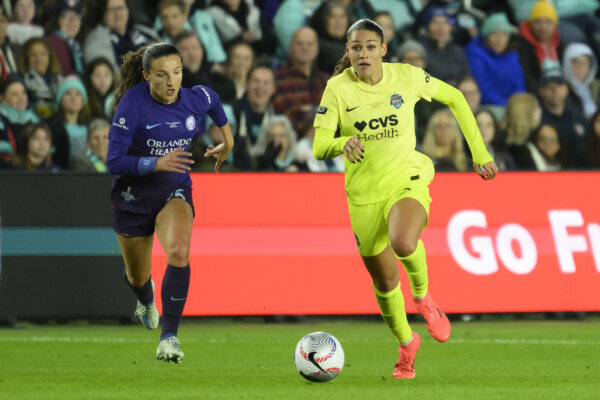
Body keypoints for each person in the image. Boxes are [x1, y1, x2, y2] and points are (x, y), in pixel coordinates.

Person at [312, 19, 497, 379]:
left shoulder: (407, 76)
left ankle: (425, 298)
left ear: (383, 49)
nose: (362, 53)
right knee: (383, 283)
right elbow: (320, 145)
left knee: (403, 239)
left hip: (406, 178)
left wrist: (479, 152)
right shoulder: (337, 89)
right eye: (355, 48)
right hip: (364, 195)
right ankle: (407, 344)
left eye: (369, 46)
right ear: (347, 52)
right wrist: (341, 143)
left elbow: (455, 98)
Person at [106, 42, 233, 363]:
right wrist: (154, 163)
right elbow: (113, 161)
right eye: (162, 75)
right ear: (147, 76)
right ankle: (146, 300)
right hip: (132, 196)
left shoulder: (193, 98)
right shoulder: (132, 105)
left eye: (176, 73)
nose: (171, 81)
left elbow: (214, 100)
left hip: (173, 189)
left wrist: (228, 142)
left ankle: (169, 338)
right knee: (138, 276)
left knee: (178, 250)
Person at [272, 27, 329, 140]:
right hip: (292, 144)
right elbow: (282, 117)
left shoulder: (327, 81)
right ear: (290, 47)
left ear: (317, 49)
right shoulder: (277, 79)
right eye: (300, 43)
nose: (305, 48)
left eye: (310, 44)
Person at [465, 13, 526, 107]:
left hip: (512, 107)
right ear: (486, 36)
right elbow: (483, 88)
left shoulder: (513, 56)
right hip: (487, 106)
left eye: (504, 34)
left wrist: (517, 106)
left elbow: (519, 87)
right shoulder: (475, 53)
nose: (499, 39)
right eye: (495, 34)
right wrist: (507, 106)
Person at [83, 0, 160, 71]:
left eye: (120, 8)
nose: (117, 13)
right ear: (102, 13)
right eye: (111, 9)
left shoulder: (146, 32)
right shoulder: (95, 40)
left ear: (128, 10)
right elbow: (106, 78)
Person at [417, 6, 470, 86]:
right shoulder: (418, 49)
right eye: (435, 23)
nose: (441, 28)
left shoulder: (457, 50)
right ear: (427, 27)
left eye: (445, 22)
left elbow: (467, 77)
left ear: (451, 27)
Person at [18, 37, 63, 118]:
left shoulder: (59, 79)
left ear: (49, 56)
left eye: (43, 54)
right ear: (26, 58)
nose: (39, 59)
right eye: (34, 55)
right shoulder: (22, 80)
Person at [562, 42, 600, 119]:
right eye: (576, 62)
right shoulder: (562, 88)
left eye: (585, 62)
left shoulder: (597, 86)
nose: (581, 67)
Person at [46, 1, 84, 77]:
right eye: (66, 16)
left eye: (76, 16)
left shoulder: (76, 45)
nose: (72, 21)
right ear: (58, 20)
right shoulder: (52, 42)